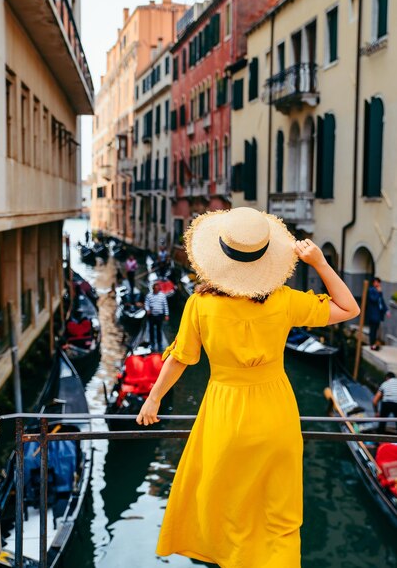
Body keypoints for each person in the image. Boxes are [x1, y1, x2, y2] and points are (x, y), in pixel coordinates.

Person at [136, 207, 359, 568]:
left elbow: (179, 359)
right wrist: (318, 262)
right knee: (277, 507)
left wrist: (153, 398)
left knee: (228, 503)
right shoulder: (285, 300)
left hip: (225, 412)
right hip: (275, 411)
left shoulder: (199, 305)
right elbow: (348, 308)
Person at [144, 282, 169, 351]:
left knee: (159, 330)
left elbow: (165, 305)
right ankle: (152, 344)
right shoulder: (149, 296)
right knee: (151, 330)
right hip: (151, 315)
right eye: (155, 288)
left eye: (157, 288)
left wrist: (166, 314)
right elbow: (146, 304)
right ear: (153, 288)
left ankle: (159, 344)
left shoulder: (162, 296)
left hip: (159, 316)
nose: (156, 289)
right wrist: (148, 309)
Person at [366, 277, 389, 350]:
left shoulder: (379, 292)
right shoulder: (371, 290)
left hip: (378, 314)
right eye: (376, 282)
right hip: (372, 314)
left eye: (378, 282)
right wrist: (379, 293)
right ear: (373, 283)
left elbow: (382, 302)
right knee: (372, 330)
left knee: (376, 330)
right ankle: (371, 344)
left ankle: (374, 344)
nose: (377, 284)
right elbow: (373, 299)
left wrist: (386, 310)